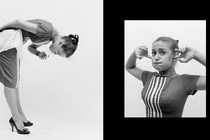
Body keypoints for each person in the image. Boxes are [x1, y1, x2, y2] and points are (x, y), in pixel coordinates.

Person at [0, 19, 79, 134]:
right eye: (57, 53)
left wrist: (38, 53)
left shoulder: (49, 38)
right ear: (60, 43)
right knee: (11, 81)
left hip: (15, 42)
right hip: (9, 40)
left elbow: (31, 48)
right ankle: (16, 118)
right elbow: (18, 22)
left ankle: (20, 116)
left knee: (15, 81)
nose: (54, 54)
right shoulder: (47, 30)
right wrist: (1, 29)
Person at [125, 37, 206, 118]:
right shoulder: (149, 77)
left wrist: (195, 54)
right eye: (154, 53)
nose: (156, 57)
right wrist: (135, 53)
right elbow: (129, 67)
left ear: (175, 55)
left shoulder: (184, 81)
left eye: (162, 52)